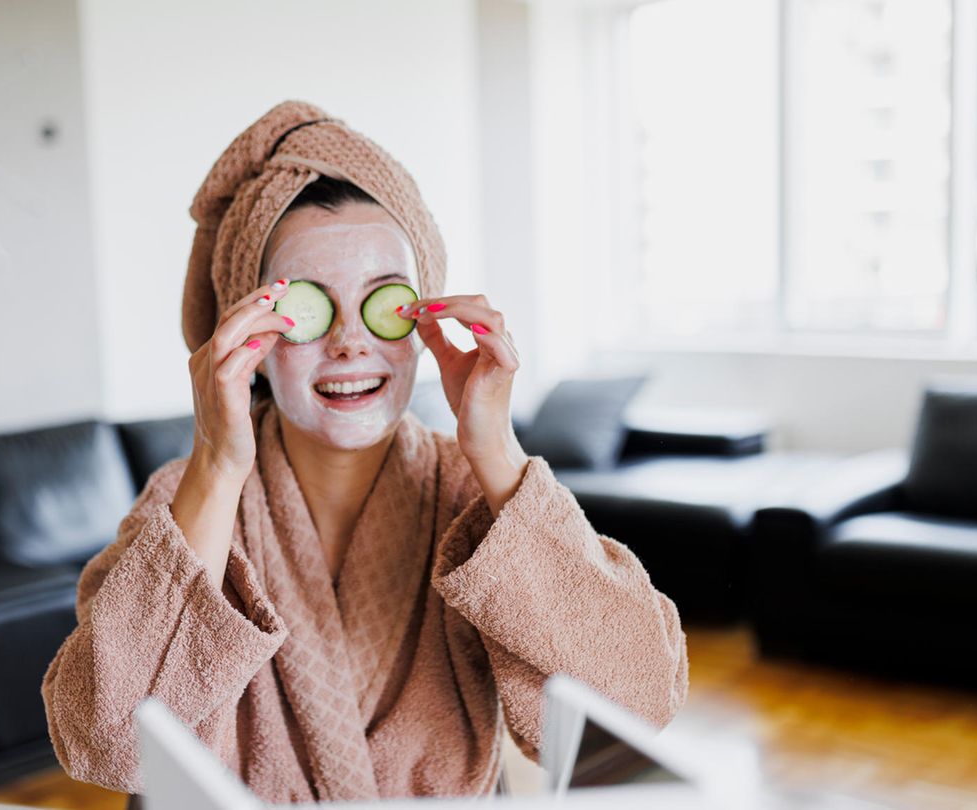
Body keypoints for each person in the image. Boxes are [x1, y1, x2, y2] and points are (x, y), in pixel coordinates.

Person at [41, 100, 688, 806]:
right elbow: (105, 743)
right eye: (308, 309)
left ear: (424, 321)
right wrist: (218, 464)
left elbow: (639, 703)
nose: (350, 341)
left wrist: (497, 453)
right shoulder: (184, 501)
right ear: (249, 343)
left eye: (385, 302)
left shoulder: (477, 497)